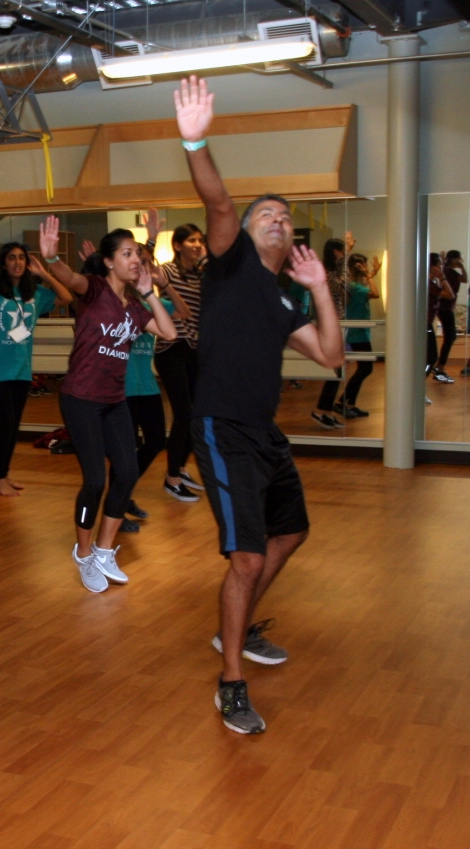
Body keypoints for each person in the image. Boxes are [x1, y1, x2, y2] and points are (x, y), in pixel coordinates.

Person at [175, 75, 344, 734]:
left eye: (286, 216)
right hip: (219, 428)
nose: (279, 218)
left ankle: (234, 630)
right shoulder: (231, 262)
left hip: (264, 433)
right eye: (266, 213)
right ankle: (231, 681)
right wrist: (195, 138)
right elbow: (217, 201)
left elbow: (331, 356)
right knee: (245, 557)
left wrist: (321, 287)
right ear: (247, 232)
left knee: (291, 532)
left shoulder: (283, 300)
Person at [37, 218, 177, 593]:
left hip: (115, 401)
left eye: (137, 254)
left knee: (128, 472)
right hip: (80, 398)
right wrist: (52, 259)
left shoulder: (134, 305)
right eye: (127, 254)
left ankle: (103, 550)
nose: (135, 260)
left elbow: (170, 331)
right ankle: (83, 554)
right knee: (96, 479)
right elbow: (70, 278)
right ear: (109, 261)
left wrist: (149, 293)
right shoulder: (95, 289)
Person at [0, 242, 72, 496]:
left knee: (13, 424)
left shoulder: (35, 292)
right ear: (3, 263)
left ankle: (4, 475)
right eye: (11, 258)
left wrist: (44, 274)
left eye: (21, 258)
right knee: (6, 421)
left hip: (21, 368)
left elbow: (67, 297)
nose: (17, 262)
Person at [122, 242, 185, 532]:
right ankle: (117, 505)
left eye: (146, 263)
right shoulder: (119, 299)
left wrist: (165, 284)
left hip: (146, 387)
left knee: (156, 441)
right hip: (120, 389)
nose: (142, 267)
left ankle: (122, 495)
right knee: (124, 450)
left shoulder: (150, 303)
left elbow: (182, 313)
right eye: (138, 261)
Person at [149, 213, 206, 500]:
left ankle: (181, 467)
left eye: (200, 240)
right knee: (184, 413)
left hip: (194, 349)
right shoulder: (168, 271)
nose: (198, 245)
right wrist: (150, 237)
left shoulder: (201, 274)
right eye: (192, 240)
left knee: (199, 413)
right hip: (172, 348)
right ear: (179, 244)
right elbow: (145, 272)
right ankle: (171, 478)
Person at [310, 236, 350, 430]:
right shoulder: (325, 272)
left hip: (336, 323)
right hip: (329, 325)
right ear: (336, 252)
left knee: (338, 370)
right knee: (335, 369)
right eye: (342, 252)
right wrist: (344, 259)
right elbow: (343, 285)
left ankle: (326, 411)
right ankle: (321, 411)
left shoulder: (329, 272)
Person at [337, 252, 382, 418]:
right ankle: (342, 402)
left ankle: (349, 404)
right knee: (365, 368)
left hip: (360, 331)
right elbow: (375, 294)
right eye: (363, 266)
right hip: (357, 333)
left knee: (364, 368)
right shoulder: (354, 287)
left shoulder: (355, 286)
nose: (367, 269)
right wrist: (370, 276)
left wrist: (371, 274)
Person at [426, 254, 455, 387]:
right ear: (433, 267)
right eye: (439, 264)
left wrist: (440, 276)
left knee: (430, 358)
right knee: (431, 358)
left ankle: (419, 389)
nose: (441, 267)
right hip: (423, 324)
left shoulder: (433, 282)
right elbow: (450, 295)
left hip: (427, 323)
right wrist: (442, 277)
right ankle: (418, 388)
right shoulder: (428, 284)